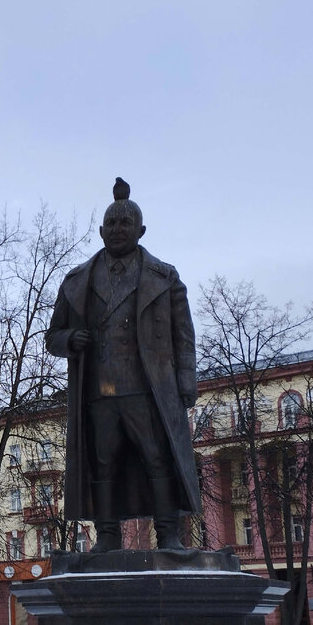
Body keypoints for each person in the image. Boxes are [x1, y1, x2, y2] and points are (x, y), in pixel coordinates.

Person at [46, 178, 200, 551]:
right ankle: (108, 537)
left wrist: (186, 382)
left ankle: (169, 536)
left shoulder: (164, 278)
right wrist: (70, 339)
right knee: (104, 464)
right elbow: (53, 337)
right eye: (111, 224)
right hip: (99, 391)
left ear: (141, 230)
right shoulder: (77, 281)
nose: (117, 230)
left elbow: (184, 335)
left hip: (147, 388)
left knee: (157, 460)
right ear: (100, 230)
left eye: (125, 224)